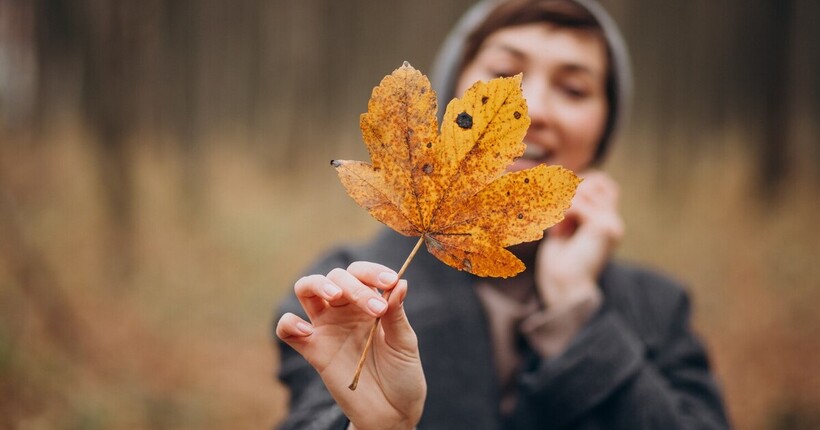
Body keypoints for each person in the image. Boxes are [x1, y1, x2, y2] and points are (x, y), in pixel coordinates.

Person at [274, 0, 731, 429]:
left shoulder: (658, 307)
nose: (530, 108)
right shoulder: (349, 291)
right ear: (455, 89)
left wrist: (577, 313)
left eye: (573, 89)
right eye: (502, 72)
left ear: (605, 127)